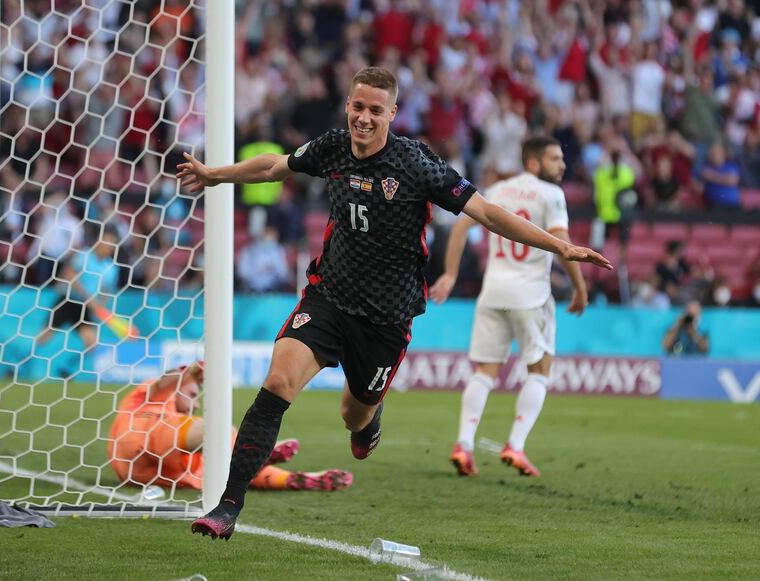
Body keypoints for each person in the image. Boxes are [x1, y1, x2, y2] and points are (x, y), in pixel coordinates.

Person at [176, 66, 611, 540]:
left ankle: (369, 418)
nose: (364, 118)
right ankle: (227, 507)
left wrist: (560, 246)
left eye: (375, 111)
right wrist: (214, 175)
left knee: (353, 415)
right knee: (278, 381)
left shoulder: (416, 165)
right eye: (357, 107)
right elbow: (274, 166)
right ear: (348, 106)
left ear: (392, 114)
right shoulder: (332, 147)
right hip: (329, 296)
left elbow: (486, 213)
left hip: (386, 317)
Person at [430, 137, 588, 478]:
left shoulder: (498, 190)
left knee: (484, 372)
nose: (562, 165)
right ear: (533, 163)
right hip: (530, 295)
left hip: (493, 291)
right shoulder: (552, 195)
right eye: (554, 159)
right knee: (539, 371)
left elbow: (459, 228)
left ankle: (464, 444)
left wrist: (451, 274)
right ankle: (515, 445)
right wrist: (579, 286)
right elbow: (565, 247)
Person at [108, 362, 352, 492]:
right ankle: (260, 450)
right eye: (192, 394)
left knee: (234, 471)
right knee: (213, 429)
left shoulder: (183, 439)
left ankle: (296, 479)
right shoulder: (150, 398)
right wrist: (191, 371)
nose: (195, 403)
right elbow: (163, 382)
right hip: (143, 432)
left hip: (149, 472)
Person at [36, 227, 121, 351]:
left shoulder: (112, 268)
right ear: (98, 240)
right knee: (44, 336)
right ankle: (21, 363)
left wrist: (99, 307)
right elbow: (69, 274)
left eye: (112, 244)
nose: (108, 246)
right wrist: (88, 297)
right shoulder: (84, 255)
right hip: (68, 300)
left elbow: (106, 291)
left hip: (85, 308)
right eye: (106, 241)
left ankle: (66, 368)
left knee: (92, 345)